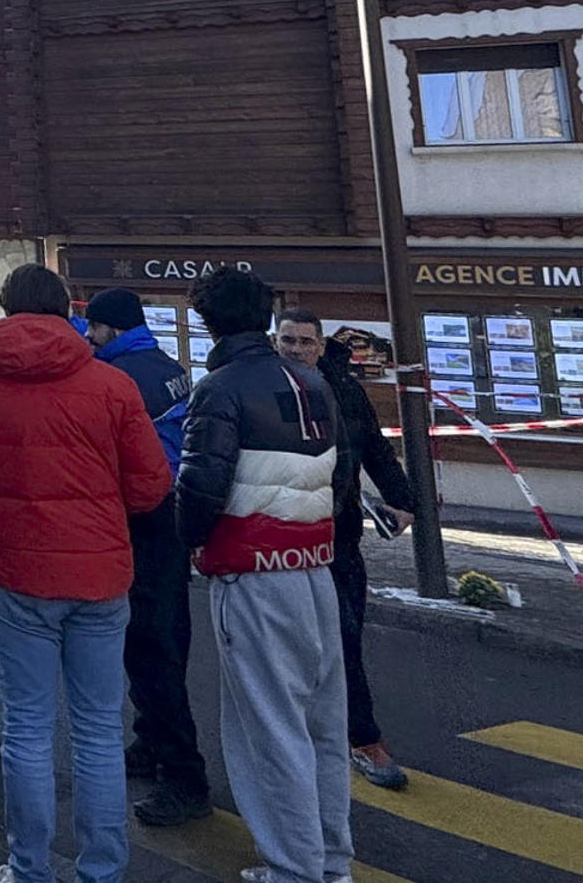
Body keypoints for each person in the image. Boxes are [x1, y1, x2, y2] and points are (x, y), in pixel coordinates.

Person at [0, 265, 173, 883]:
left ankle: (29, 868)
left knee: (29, 729)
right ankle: (102, 870)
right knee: (98, 730)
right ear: (69, 308)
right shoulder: (112, 384)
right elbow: (151, 483)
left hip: (21, 572)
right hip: (101, 574)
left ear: (6, 307)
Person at [176, 269, 351, 883]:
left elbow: (201, 485)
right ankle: (330, 861)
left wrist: (189, 540)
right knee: (323, 724)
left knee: (270, 729)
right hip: (316, 566)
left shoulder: (219, 388)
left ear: (206, 322)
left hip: (251, 569)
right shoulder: (314, 382)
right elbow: (341, 473)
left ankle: (295, 868)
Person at [276, 307, 420, 792]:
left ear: (320, 345)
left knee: (345, 638)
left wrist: (400, 500)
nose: (296, 349)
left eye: (305, 341)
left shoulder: (343, 387)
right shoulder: (265, 386)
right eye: (288, 340)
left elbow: (374, 448)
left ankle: (363, 739)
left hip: (338, 535)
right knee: (286, 646)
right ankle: (298, 736)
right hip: (281, 536)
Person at [82, 288, 211, 828]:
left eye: (93, 329)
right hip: (171, 515)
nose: (88, 338)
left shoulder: (120, 379)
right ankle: (150, 741)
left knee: (151, 646)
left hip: (144, 517)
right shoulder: (164, 363)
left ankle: (184, 778)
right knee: (162, 638)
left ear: (110, 328)